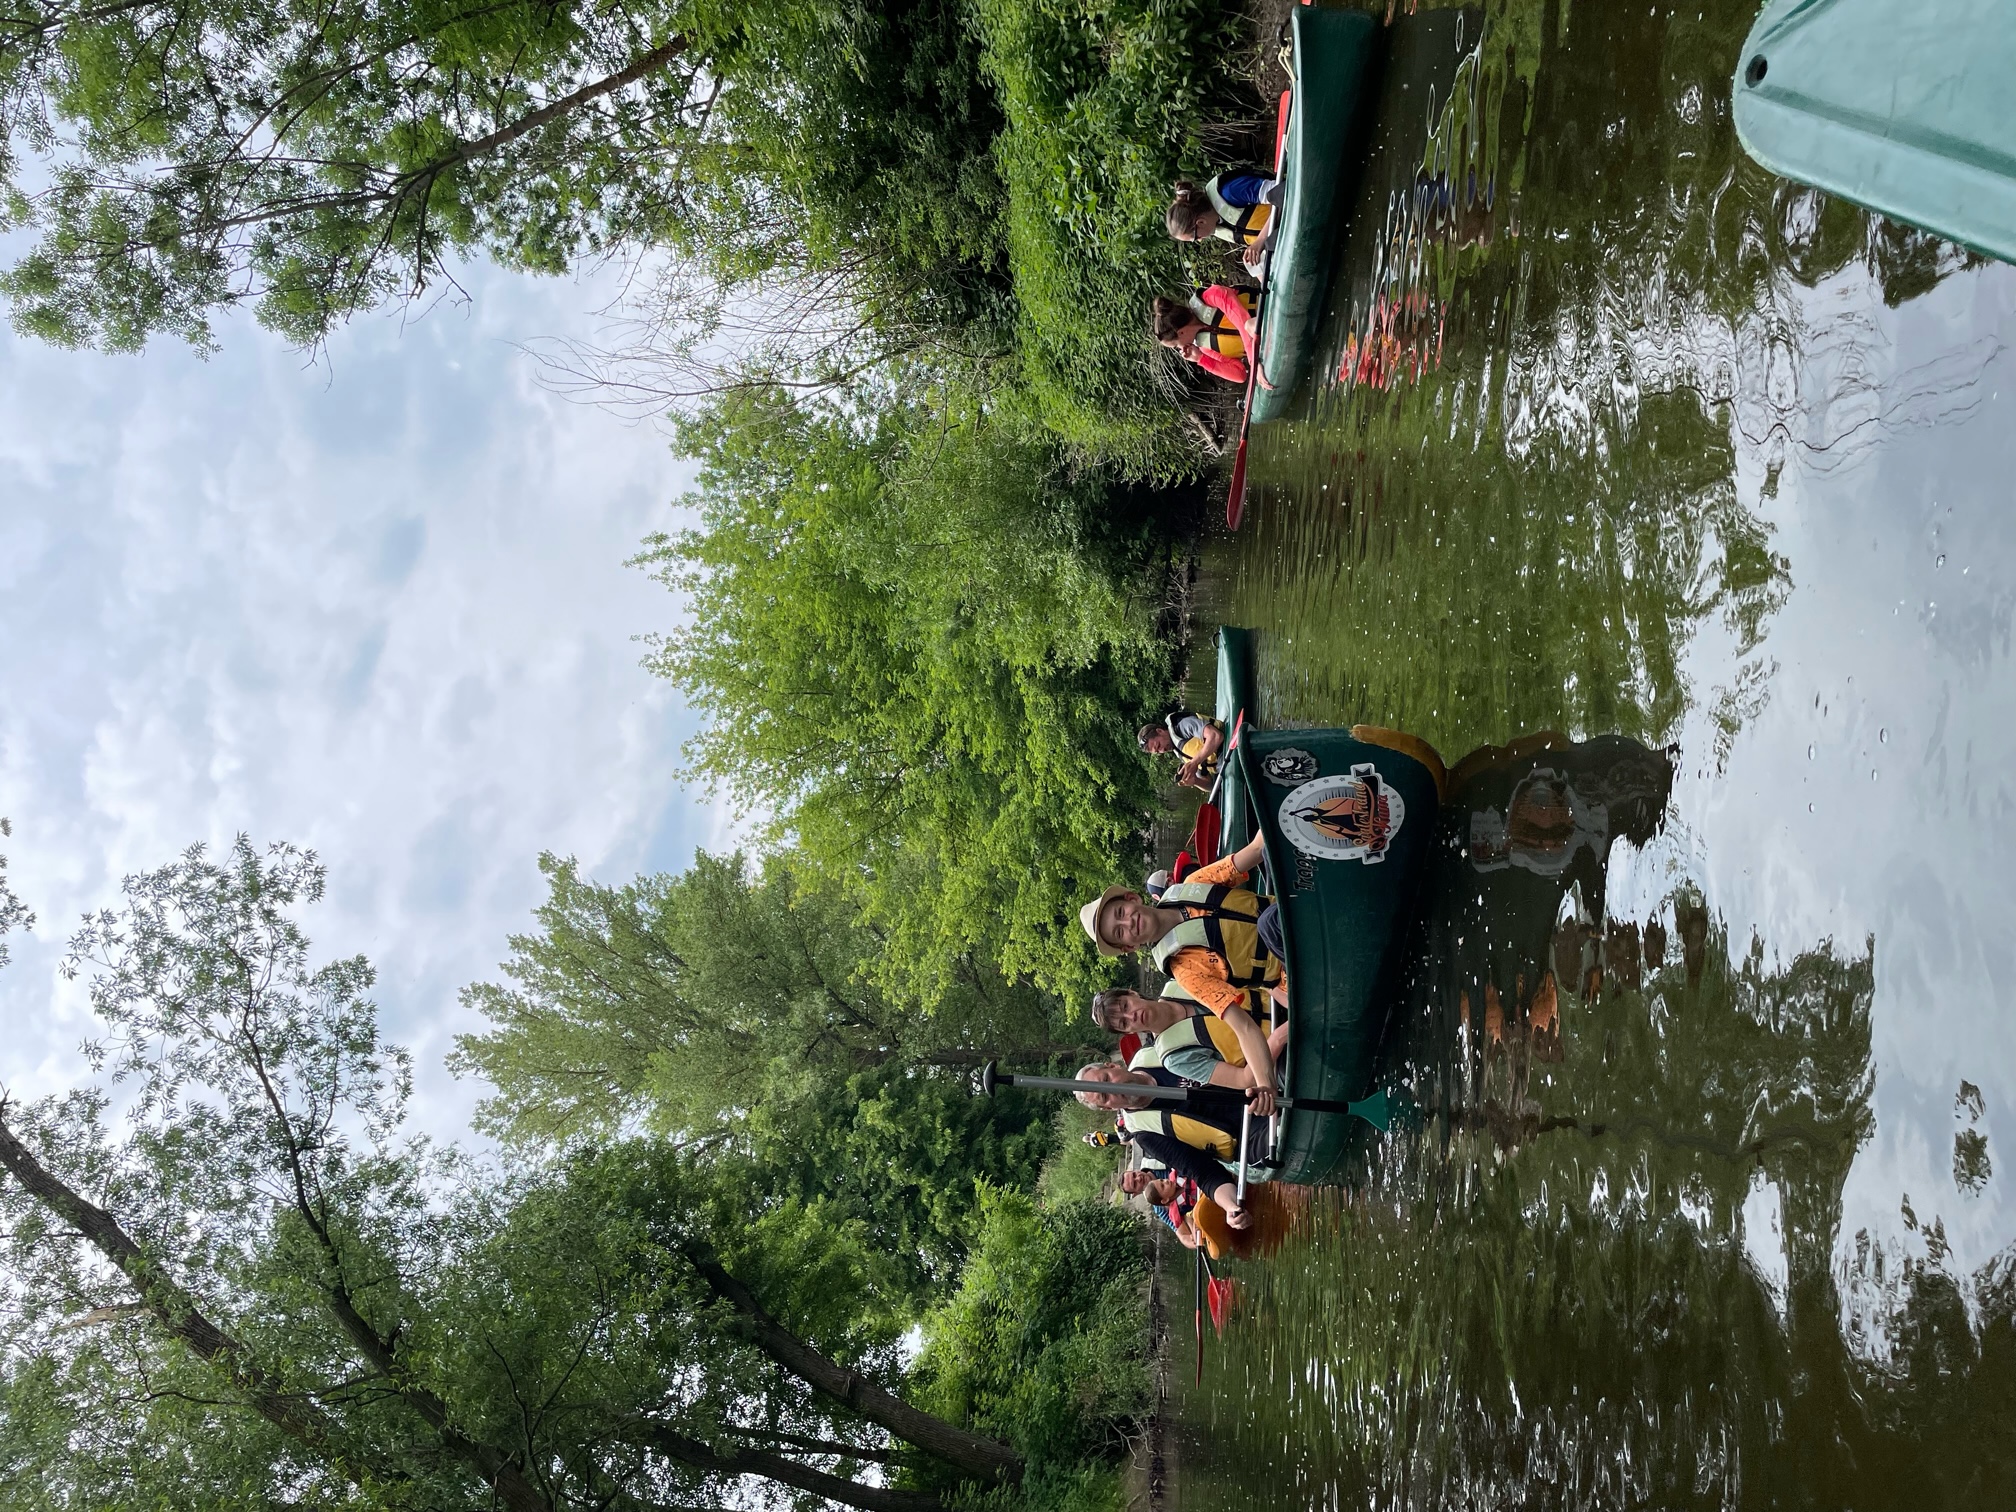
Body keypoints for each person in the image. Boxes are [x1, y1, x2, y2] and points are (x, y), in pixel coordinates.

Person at [1078, 831, 1288, 1086]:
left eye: (1121, 913)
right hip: (1288, 972)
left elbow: (1254, 850)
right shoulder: (1185, 972)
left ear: (1132, 898)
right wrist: (1265, 1084)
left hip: (1290, 913)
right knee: (1269, 924)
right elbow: (1242, 1025)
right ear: (1129, 947)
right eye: (1120, 932)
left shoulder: (1192, 885)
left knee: (1273, 867)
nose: (1128, 923)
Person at [1091, 987, 1289, 1073]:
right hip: (1281, 1054)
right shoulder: (1174, 1058)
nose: (1131, 1016)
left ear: (1132, 993)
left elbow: (1254, 977)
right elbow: (1245, 1079)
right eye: (1124, 1023)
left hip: (1281, 998)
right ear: (1128, 1032)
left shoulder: (1182, 981)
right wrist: (1280, 1036)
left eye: (1126, 1006)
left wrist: (1283, 996)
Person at [1151, 288, 1272, 388]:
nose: (1181, 349)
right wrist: (1201, 359)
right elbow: (1240, 375)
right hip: (1267, 347)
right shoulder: (1205, 349)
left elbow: (1242, 321)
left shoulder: (1211, 296)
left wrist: (1254, 361)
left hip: (1271, 312)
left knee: (1249, 325)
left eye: (1176, 345)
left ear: (1181, 333)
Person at [1166, 173, 1278, 268]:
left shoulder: (1231, 191)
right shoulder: (1216, 225)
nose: (1200, 240)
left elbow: (1283, 193)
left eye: (1196, 237)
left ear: (1201, 222)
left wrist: (1260, 240)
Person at [1137, 709, 1225, 790]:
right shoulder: (1179, 752)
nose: (1162, 750)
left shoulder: (1183, 726)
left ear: (1160, 731)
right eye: (1158, 751)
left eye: (1158, 745)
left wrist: (1194, 762)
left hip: (1226, 747)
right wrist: (1195, 781)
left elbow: (1216, 736)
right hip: (1223, 765)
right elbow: (1211, 785)